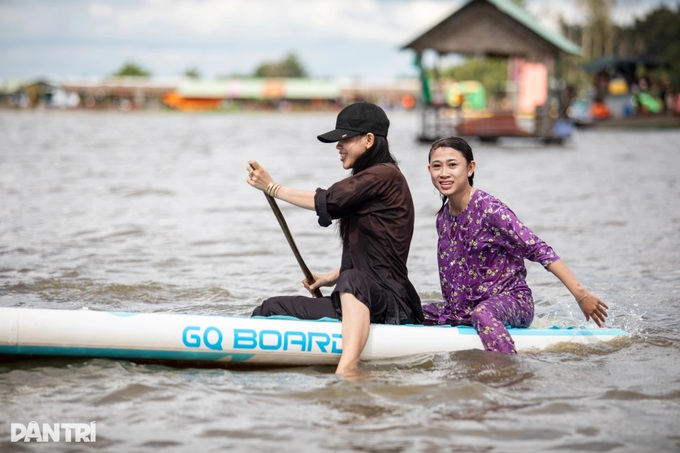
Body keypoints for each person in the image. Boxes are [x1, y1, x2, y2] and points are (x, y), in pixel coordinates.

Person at [246, 102, 423, 375]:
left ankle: (348, 369)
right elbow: (377, 252)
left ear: (368, 140)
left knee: (350, 280)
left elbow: (327, 200)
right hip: (363, 295)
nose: (338, 146)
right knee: (269, 308)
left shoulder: (384, 175)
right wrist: (330, 277)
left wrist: (272, 187)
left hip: (389, 305)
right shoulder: (371, 181)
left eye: (345, 139)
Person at [422, 136, 609, 353]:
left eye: (452, 165)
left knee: (483, 313)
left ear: (470, 168)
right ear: (429, 171)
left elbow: (539, 249)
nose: (444, 173)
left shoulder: (490, 211)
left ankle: (509, 374)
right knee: (408, 310)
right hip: (463, 311)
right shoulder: (443, 218)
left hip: (511, 303)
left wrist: (581, 295)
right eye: (437, 166)